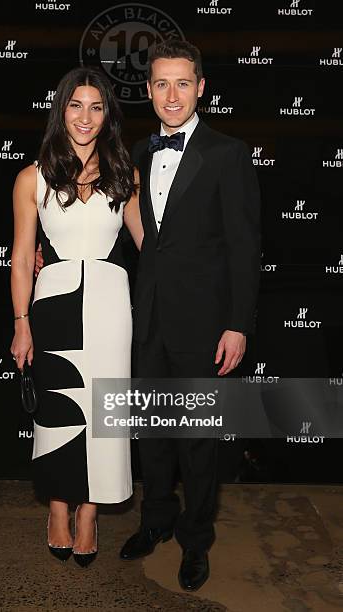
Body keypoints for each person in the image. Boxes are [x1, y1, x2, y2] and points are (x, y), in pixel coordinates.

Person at [118, 40, 261, 591]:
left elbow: (246, 247)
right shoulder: (139, 153)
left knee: (197, 439)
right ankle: (156, 520)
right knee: (151, 432)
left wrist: (238, 324)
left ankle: (195, 539)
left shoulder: (227, 152)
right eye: (161, 84)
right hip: (148, 315)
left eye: (182, 83)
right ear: (149, 91)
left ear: (201, 88)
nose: (171, 95)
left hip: (205, 323)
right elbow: (133, 234)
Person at [10, 66, 143, 568]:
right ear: (61, 109)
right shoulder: (32, 176)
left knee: (105, 414)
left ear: (107, 114)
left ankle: (90, 512)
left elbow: (150, 245)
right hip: (55, 299)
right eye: (75, 105)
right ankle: (59, 510)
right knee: (61, 410)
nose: (85, 117)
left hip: (110, 301)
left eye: (96, 106)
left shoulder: (125, 173)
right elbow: (23, 256)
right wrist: (22, 322)